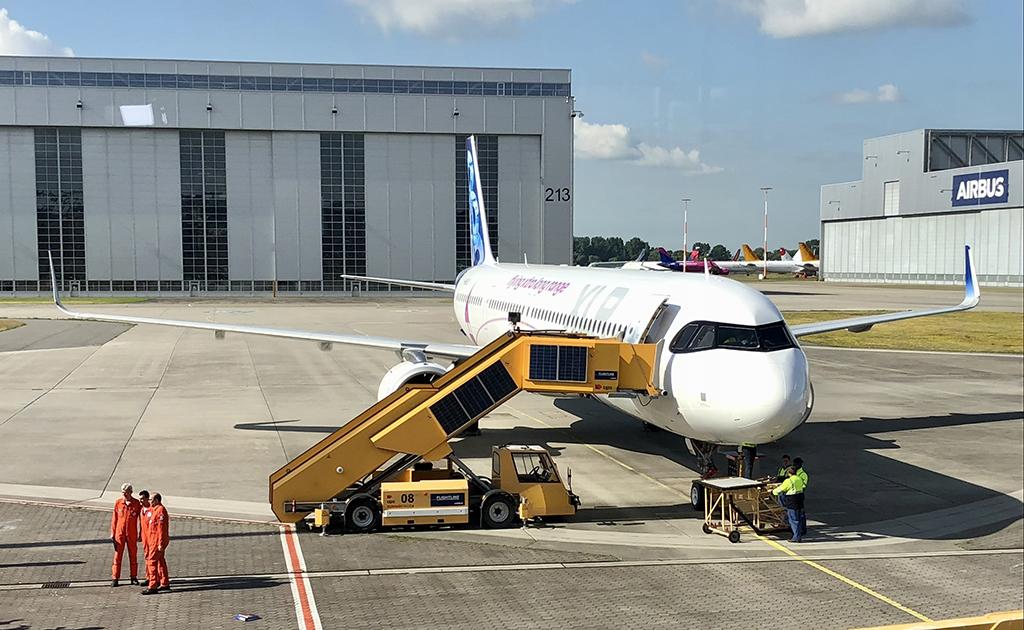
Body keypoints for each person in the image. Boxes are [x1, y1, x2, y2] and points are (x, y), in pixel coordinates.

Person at [110, 482, 141, 587]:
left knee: (133, 555)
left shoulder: (136, 504)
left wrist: (141, 533)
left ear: (131, 492)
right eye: (123, 492)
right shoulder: (118, 503)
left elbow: (141, 520)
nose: (124, 494)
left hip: (131, 534)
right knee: (117, 556)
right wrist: (112, 533)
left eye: (126, 492)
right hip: (120, 534)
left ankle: (133, 577)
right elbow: (114, 519)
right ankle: (115, 578)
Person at [141, 493, 170, 595]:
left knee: (151, 561)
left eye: (151, 500)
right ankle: (164, 582)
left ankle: (153, 585)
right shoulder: (154, 510)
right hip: (153, 541)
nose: (150, 502)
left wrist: (160, 543)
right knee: (160, 561)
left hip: (156, 541)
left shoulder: (160, 511)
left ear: (157, 500)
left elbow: (161, 529)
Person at [771, 467, 806, 542]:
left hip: (792, 501)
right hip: (799, 499)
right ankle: (799, 534)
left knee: (793, 519)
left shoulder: (788, 481)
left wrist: (773, 492)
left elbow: (781, 489)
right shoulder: (799, 479)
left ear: (789, 473)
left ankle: (796, 537)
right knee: (799, 518)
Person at [137, 490, 151, 586]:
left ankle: (155, 578)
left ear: (147, 498)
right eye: (140, 499)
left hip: (151, 537)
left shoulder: (152, 509)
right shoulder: (141, 509)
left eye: (142, 499)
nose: (140, 501)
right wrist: (140, 534)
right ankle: (148, 576)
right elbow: (141, 524)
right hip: (145, 536)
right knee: (147, 556)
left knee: (153, 558)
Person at [793, 457, 809, 537]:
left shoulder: (803, 474)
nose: (794, 465)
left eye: (796, 464)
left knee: (801, 513)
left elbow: (803, 486)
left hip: (799, 495)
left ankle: (803, 529)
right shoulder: (793, 472)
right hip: (793, 495)